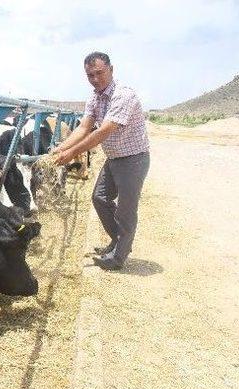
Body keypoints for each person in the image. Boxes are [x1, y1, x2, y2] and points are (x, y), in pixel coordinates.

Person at [53, 52, 150, 270]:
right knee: (100, 198)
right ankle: (118, 243)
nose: (95, 79)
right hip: (114, 157)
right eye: (90, 75)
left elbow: (103, 131)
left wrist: (71, 154)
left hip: (133, 159)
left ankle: (118, 258)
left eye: (99, 73)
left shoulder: (124, 95)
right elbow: (84, 127)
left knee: (126, 210)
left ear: (111, 70)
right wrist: (60, 148)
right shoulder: (95, 97)